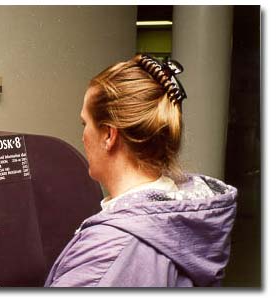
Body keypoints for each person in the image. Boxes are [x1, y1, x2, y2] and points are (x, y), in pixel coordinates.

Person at [44, 54, 237, 287]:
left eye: (85, 124)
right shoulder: (184, 216)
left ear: (108, 135)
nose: (83, 135)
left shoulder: (107, 252)